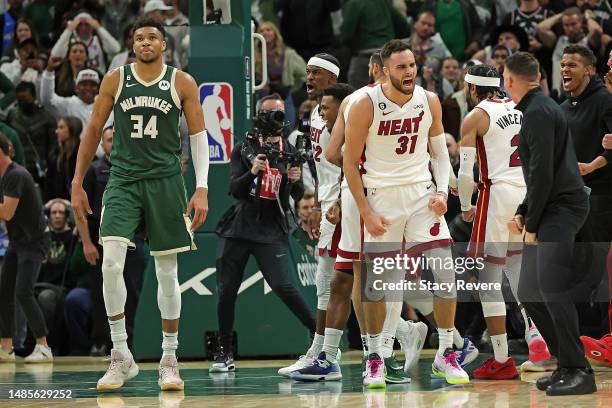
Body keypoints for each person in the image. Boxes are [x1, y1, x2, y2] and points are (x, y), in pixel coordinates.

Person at [70, 18, 209, 391]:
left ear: (165, 45)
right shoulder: (116, 79)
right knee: (111, 263)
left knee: (166, 271)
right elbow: (93, 130)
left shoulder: (182, 82)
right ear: (132, 46)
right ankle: (120, 355)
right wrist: (77, 180)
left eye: (152, 37)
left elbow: (198, 137)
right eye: (139, 38)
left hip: (166, 181)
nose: (145, 42)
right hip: (124, 180)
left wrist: (202, 188)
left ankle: (169, 358)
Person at [291, 51, 429, 385]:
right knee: (348, 281)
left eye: (315, 73)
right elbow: (323, 165)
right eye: (306, 72)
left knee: (352, 281)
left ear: (333, 79)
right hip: (334, 205)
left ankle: (331, 354)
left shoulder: (357, 105)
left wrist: (338, 198)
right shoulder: (314, 116)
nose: (308, 78)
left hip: (360, 204)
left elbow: (351, 161)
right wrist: (312, 200)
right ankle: (381, 345)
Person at [343, 39, 467, 387]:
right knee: (378, 285)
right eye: (401, 66)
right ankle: (377, 357)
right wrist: (365, 211)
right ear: (384, 70)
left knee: (445, 271)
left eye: (412, 64)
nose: (409, 71)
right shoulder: (365, 105)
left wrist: (442, 191)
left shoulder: (429, 100)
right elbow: (350, 165)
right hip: (381, 197)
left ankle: (446, 353)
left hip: (421, 196)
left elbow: (441, 153)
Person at [504, 51, 595, 396]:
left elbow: (543, 174)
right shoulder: (541, 109)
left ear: (509, 81)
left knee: (553, 289)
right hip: (552, 205)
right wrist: (525, 209)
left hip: (562, 209)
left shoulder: (539, 113)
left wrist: (532, 225)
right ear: (539, 75)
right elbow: (543, 173)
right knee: (528, 289)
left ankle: (578, 371)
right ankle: (567, 363)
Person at [457, 64, 552, 380]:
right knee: (518, 273)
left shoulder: (476, 116)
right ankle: (536, 337)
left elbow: (464, 173)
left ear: (472, 89)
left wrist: (467, 205)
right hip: (526, 196)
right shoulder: (521, 107)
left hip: (495, 197)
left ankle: (500, 358)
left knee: (488, 280)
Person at [213, 94, 314, 372]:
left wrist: (295, 181)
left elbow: (296, 192)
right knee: (227, 291)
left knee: (283, 285)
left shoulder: (290, 149)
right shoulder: (245, 147)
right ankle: (224, 352)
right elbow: (234, 189)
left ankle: (322, 340)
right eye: (270, 113)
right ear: (259, 115)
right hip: (239, 227)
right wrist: (253, 172)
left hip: (271, 228)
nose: (276, 118)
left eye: (280, 113)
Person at [69, 126, 144, 356]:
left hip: (133, 240)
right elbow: (80, 210)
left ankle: (130, 339)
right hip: (101, 242)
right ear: (102, 145)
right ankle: (102, 340)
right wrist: (87, 243)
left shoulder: (135, 168)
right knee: (103, 293)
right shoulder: (93, 171)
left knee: (132, 292)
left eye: (117, 139)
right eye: (109, 140)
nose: (113, 144)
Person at [558, 45, 612, 361]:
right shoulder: (563, 108)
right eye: (563, 64)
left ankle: (605, 337)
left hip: (602, 198)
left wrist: (592, 166)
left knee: (600, 272)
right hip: (571, 201)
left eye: (573, 65)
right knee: (575, 272)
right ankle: (579, 339)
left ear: (589, 70)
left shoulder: (605, 101)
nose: (566, 70)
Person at [0, 133, 52, 363]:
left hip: (35, 242)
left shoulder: (16, 175)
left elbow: (6, 213)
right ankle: (6, 346)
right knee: (4, 291)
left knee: (23, 291)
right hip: (18, 241)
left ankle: (43, 346)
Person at [6, 81, 56, 184]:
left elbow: (53, 145)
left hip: (41, 168)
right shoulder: (12, 116)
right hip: (19, 165)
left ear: (33, 97)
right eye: (19, 100)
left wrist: (49, 164)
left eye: (25, 99)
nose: (22, 103)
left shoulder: (47, 117)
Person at [50, 11, 120, 73]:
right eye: (80, 25)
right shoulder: (70, 43)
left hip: (98, 81)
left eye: (87, 24)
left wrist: (99, 28)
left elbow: (116, 49)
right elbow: (55, 55)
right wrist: (69, 30)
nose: (83, 28)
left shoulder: (99, 40)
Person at [45, 117, 82, 201]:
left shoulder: (83, 154)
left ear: (72, 130)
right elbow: (49, 182)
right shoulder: (55, 153)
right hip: (57, 202)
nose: (56, 131)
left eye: (61, 128)